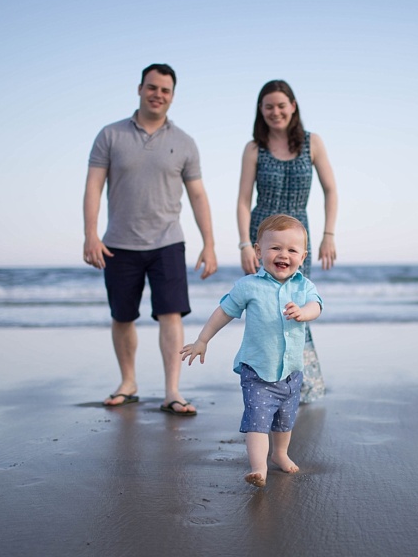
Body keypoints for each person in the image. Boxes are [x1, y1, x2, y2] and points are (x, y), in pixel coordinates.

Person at [82, 63, 217, 416]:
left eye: (166, 90)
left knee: (171, 314)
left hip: (168, 242)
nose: (158, 94)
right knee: (122, 316)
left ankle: (172, 391)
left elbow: (198, 196)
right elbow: (93, 186)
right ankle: (128, 383)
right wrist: (90, 235)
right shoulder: (110, 135)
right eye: (152, 87)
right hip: (118, 242)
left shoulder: (184, 142)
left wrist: (210, 243)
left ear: (173, 96)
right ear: (140, 89)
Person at [181, 215, 322, 488]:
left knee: (284, 420)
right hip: (257, 371)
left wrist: (304, 313)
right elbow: (223, 312)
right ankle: (259, 467)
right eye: (275, 248)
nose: (283, 255)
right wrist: (202, 340)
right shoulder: (248, 286)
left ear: (303, 256)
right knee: (257, 421)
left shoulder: (304, 287)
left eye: (292, 250)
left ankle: (280, 453)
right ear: (258, 251)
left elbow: (316, 306)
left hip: (291, 372)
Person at [236, 79, 338, 404]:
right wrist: (243, 243)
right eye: (268, 107)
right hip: (262, 235)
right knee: (264, 307)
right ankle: (264, 380)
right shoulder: (254, 148)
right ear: (261, 111)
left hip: (297, 236)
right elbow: (242, 199)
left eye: (281, 105)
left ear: (293, 106)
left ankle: (300, 382)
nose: (275, 112)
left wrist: (328, 235)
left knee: (297, 305)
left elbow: (331, 190)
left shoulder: (313, 143)